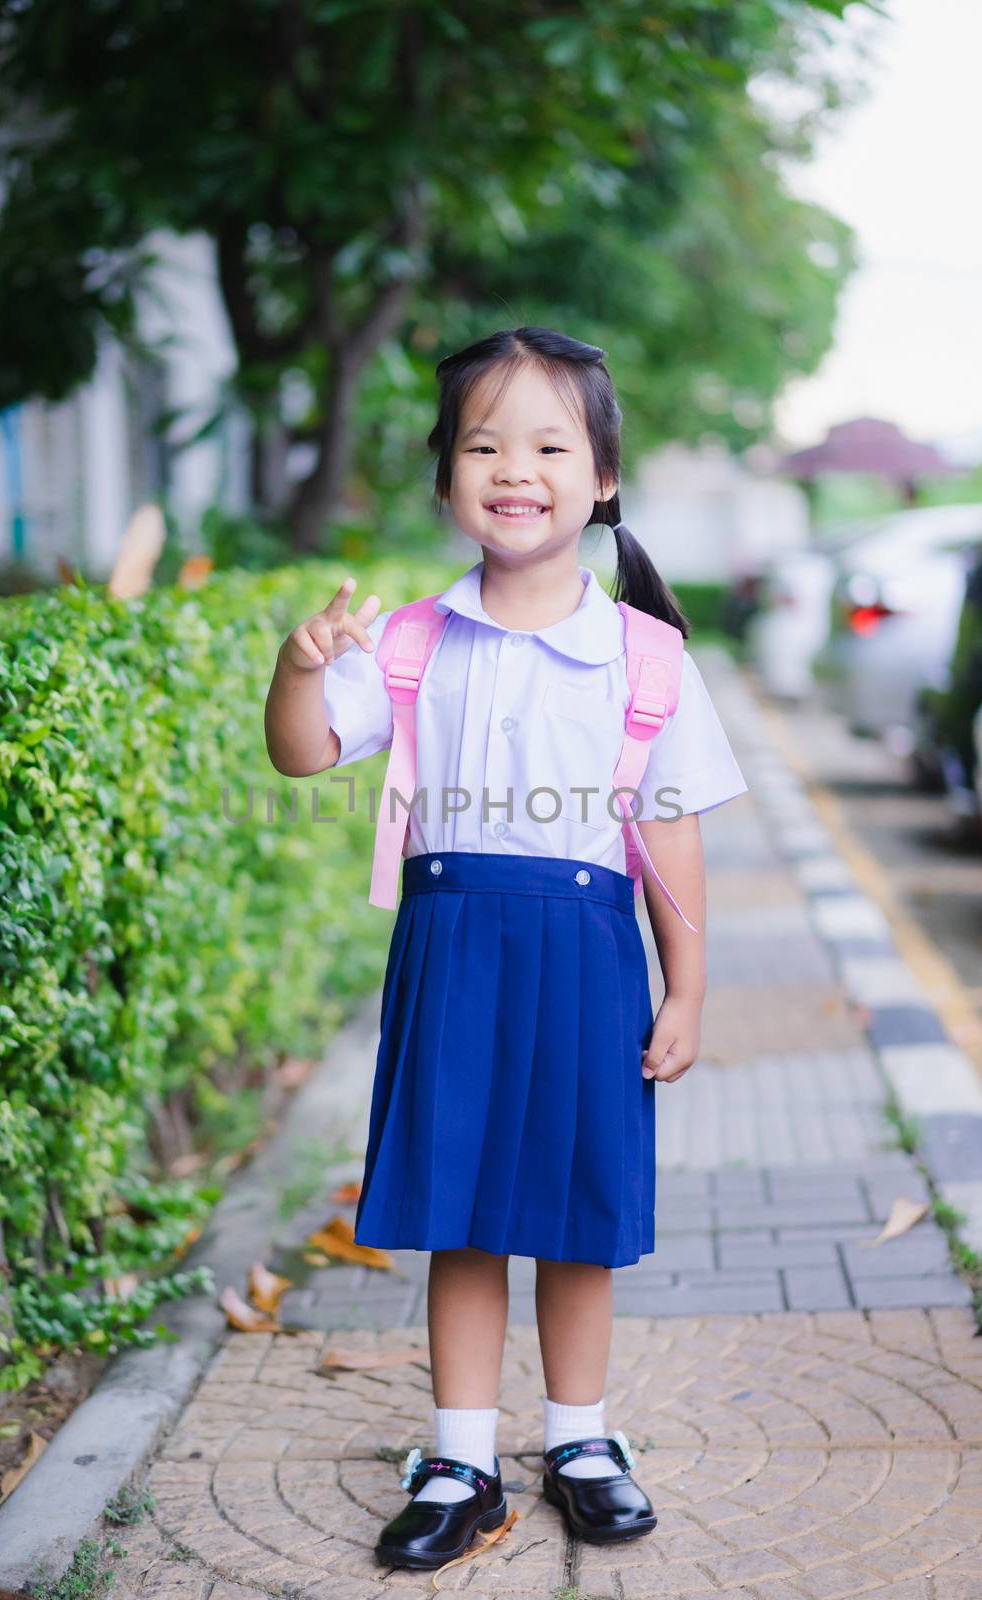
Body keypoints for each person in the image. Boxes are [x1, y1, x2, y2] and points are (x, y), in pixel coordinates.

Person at [264, 326, 747, 1570]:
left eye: (547, 443)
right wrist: (297, 666)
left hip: (588, 960)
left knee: (575, 1218)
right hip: (453, 952)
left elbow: (668, 834)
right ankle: (460, 1456)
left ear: (600, 480)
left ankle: (581, 1439)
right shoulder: (415, 644)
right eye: (482, 443)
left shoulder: (645, 654)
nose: (512, 467)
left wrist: (685, 985)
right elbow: (305, 749)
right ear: (445, 478)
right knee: (463, 1216)